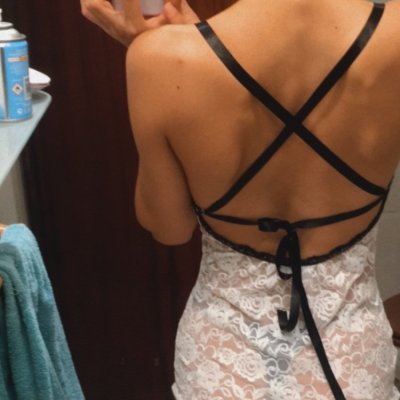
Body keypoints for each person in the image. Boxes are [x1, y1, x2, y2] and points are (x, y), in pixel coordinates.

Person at [81, 0, 400, 398]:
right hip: (351, 361)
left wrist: (166, 63)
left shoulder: (161, 58)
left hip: (225, 364)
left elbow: (169, 228)